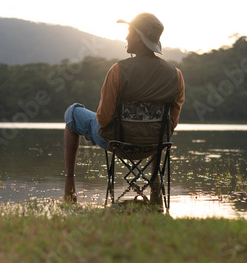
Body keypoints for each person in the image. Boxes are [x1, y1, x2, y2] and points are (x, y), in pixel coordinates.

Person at [63, 12, 185, 203]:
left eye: (129, 32)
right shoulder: (176, 75)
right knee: (157, 128)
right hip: (154, 145)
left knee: (72, 112)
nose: (126, 37)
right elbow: (171, 123)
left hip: (117, 143)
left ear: (138, 36)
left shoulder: (118, 71)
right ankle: (155, 179)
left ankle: (69, 180)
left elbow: (103, 120)